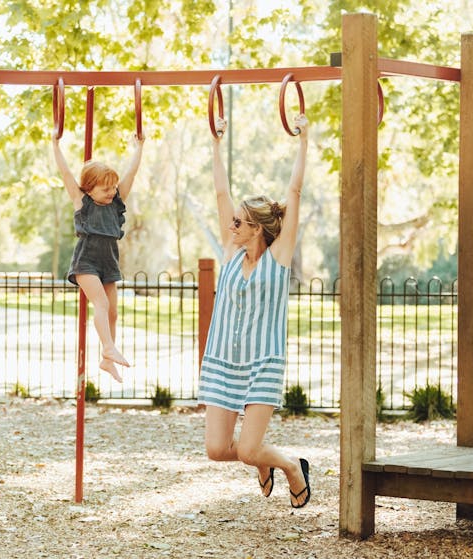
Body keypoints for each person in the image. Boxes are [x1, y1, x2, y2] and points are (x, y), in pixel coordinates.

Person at [198, 114, 311, 509]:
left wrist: (303, 140)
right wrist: (215, 143)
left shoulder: (278, 258)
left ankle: (290, 465)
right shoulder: (231, 253)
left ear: (257, 229)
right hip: (223, 361)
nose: (231, 226)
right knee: (216, 449)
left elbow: (294, 192)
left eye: (240, 222)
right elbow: (219, 192)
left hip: (263, 362)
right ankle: (261, 458)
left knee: (247, 450)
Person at [52, 132, 145, 382]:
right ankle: (108, 347)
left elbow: (131, 174)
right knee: (101, 305)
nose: (112, 192)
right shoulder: (82, 202)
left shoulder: (116, 203)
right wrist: (55, 145)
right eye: (105, 189)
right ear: (89, 190)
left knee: (112, 311)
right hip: (86, 261)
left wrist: (139, 147)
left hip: (109, 260)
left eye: (113, 187)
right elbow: (66, 175)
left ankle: (107, 360)